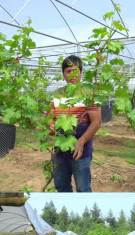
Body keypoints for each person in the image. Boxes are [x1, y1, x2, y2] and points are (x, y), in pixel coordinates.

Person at [49, 55, 102, 192]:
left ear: (81, 72)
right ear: (63, 74)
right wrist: (50, 127)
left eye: (75, 70)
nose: (72, 74)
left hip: (81, 149)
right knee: (61, 187)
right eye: (68, 71)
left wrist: (81, 141)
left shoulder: (89, 93)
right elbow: (50, 119)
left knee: (83, 188)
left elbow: (96, 122)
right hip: (60, 148)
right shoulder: (56, 94)